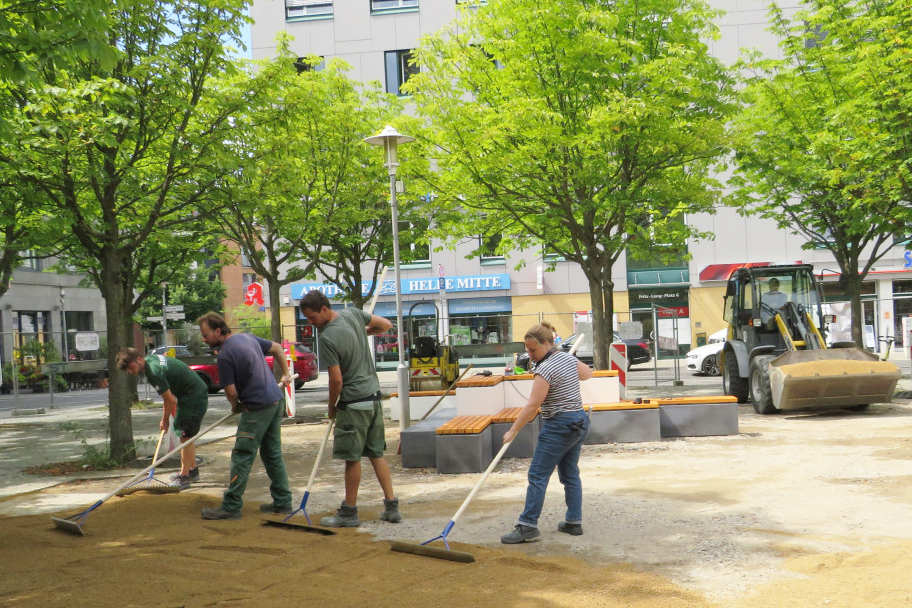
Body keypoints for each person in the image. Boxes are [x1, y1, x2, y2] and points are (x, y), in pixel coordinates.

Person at [298, 289, 401, 527]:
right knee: (376, 454)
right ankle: (392, 506)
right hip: (374, 398)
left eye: (313, 317)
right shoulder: (353, 315)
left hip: (353, 403)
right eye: (308, 320)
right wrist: (361, 332)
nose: (312, 323)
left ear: (324, 309)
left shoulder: (326, 338)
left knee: (352, 459)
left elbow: (336, 380)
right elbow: (385, 325)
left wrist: (332, 407)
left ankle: (349, 512)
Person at [500, 323, 593, 544]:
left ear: (547, 344)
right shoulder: (566, 359)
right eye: (527, 350)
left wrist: (513, 431)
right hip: (578, 421)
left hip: (560, 426)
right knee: (570, 473)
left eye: (533, 350)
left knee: (537, 475)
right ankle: (573, 522)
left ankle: (528, 526)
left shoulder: (545, 369)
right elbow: (586, 373)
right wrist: (566, 360)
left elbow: (533, 406)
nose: (530, 355)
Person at [196, 312, 293, 520]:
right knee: (272, 454)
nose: (204, 339)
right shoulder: (247, 337)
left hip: (257, 407)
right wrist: (285, 374)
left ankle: (231, 506)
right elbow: (277, 348)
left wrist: (236, 406)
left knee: (242, 455)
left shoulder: (224, 355)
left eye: (206, 335)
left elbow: (231, 392)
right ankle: (283, 501)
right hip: (276, 401)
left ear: (218, 331)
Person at [116, 347, 208, 490]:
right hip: (188, 395)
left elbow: (170, 400)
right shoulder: (151, 361)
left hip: (193, 396)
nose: (130, 372)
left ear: (139, 359)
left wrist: (164, 420)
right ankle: (192, 471)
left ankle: (183, 478)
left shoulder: (154, 372)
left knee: (185, 436)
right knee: (185, 434)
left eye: (130, 367)